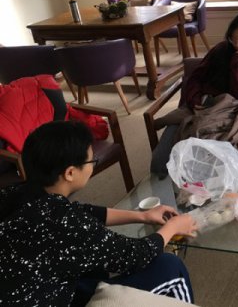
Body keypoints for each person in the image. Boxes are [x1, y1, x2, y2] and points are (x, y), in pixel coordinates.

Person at [0, 121, 199, 306]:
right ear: (70, 173)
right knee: (170, 267)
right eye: (91, 161)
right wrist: (172, 227)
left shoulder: (15, 193)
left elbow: (81, 211)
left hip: (34, 288)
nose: (92, 165)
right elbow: (135, 255)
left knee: (94, 269)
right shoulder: (64, 224)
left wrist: (142, 216)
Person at [151, 12, 238, 176]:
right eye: (233, 39)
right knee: (159, 164)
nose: (236, 44)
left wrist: (237, 61)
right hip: (199, 105)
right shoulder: (221, 50)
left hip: (229, 112)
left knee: (199, 165)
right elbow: (196, 77)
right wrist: (194, 100)